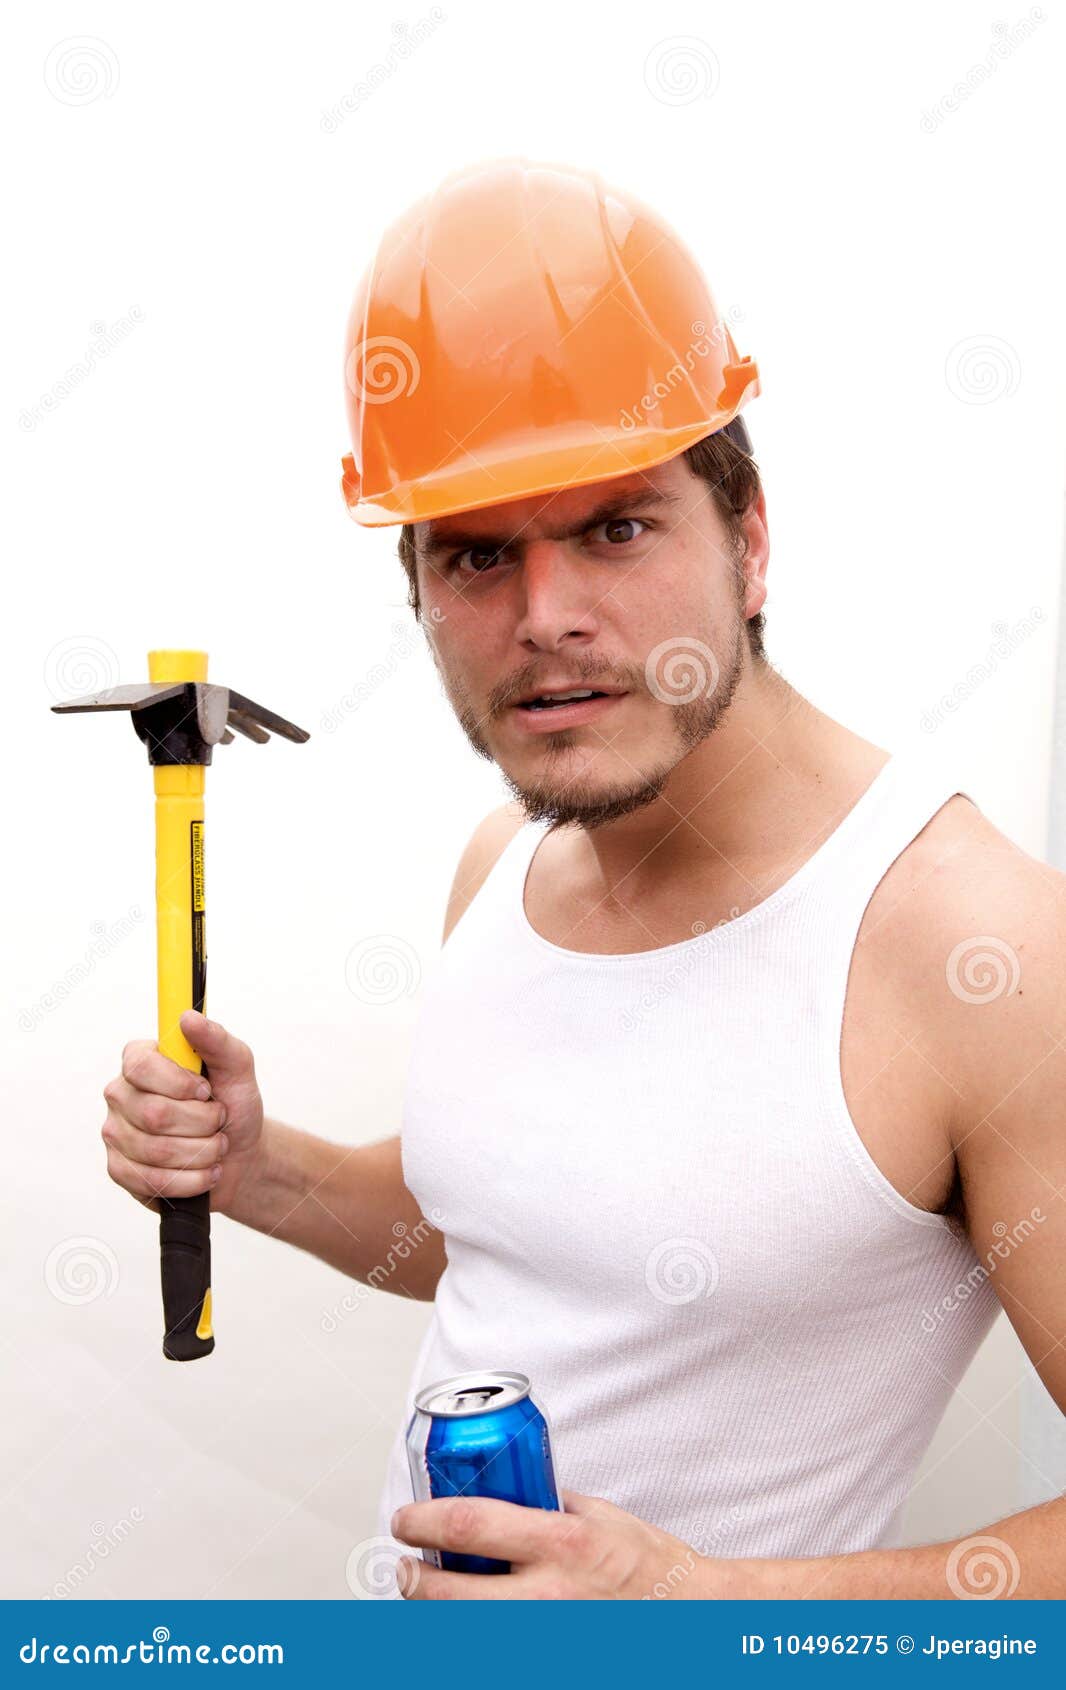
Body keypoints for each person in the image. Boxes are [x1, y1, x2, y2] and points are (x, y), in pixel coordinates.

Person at [100, 160, 1065, 1600]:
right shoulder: (505, 868)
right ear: (418, 591)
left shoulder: (973, 947)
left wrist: (694, 1604)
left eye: (614, 527)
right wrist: (266, 1170)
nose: (544, 618)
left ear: (746, 540)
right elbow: (503, 1248)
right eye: (478, 554)